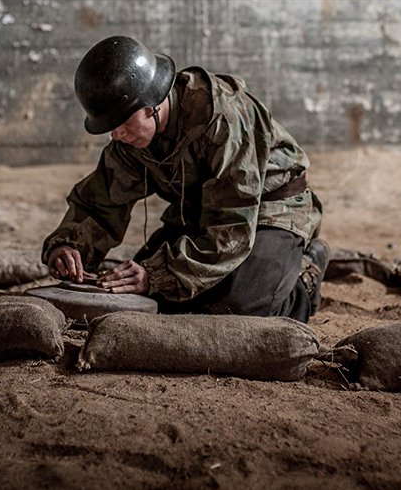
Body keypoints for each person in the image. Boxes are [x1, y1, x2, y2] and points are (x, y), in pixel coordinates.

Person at [40, 35, 329, 323]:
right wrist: (70, 245)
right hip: (203, 212)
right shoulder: (130, 138)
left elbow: (232, 228)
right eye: (111, 127)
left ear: (152, 104)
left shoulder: (222, 119)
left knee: (242, 310)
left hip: (271, 210)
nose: (116, 136)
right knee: (146, 296)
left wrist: (155, 273)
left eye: (123, 124)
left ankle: (306, 272)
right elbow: (102, 204)